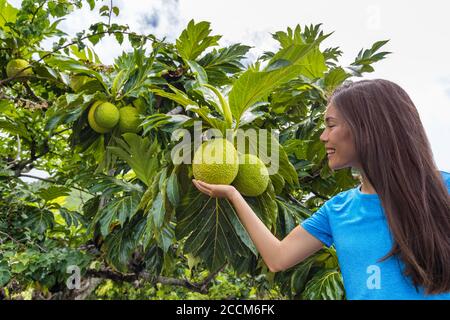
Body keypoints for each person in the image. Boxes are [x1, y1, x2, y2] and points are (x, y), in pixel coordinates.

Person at [192, 79, 450, 300]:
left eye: (331, 125)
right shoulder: (338, 210)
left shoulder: (444, 189)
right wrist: (233, 194)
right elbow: (278, 257)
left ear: (367, 128)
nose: (323, 136)